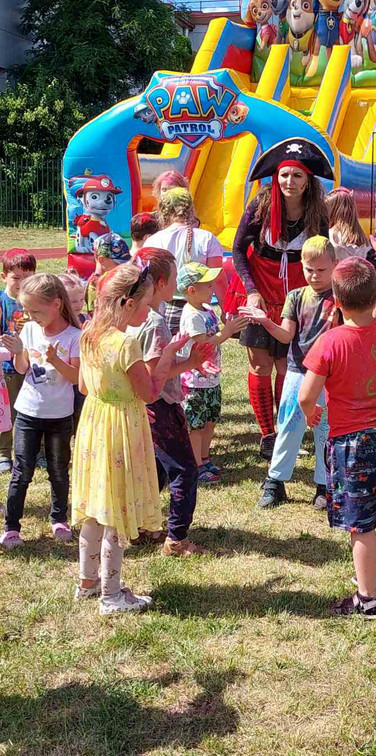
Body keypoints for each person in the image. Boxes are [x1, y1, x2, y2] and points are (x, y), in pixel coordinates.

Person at [300, 220, 376, 619]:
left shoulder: (329, 342)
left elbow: (306, 394)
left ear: (335, 299)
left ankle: (367, 599)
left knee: (361, 522)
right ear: (375, 296)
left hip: (352, 444)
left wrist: (311, 413)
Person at [72, 262, 186, 614]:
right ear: (127, 302)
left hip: (94, 424)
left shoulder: (89, 333)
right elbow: (149, 393)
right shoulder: (126, 344)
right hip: (121, 428)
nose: (149, 311)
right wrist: (167, 356)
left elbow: (82, 386)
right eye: (147, 304)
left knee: (95, 508)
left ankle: (87, 582)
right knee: (116, 511)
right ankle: (111, 596)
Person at [224, 139, 331, 459]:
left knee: (288, 365)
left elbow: (323, 255)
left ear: (308, 181)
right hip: (258, 291)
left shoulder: (317, 212)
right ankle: (267, 434)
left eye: (297, 176)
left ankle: (286, 429)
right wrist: (251, 290)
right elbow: (238, 250)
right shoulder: (260, 205)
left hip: (296, 298)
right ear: (276, 177)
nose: (289, 182)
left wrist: (322, 295)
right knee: (260, 364)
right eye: (284, 175)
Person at [239, 236, 339, 509]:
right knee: (288, 425)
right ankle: (275, 481)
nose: (314, 275)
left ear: (335, 264)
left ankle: (324, 484)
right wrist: (265, 322)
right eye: (309, 269)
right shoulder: (296, 296)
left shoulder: (341, 297)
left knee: (325, 428)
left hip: (330, 375)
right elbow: (286, 336)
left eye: (321, 270)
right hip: (298, 370)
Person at [128, 248, 210, 555]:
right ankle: (177, 539)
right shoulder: (154, 322)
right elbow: (155, 376)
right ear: (161, 283)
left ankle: (142, 527)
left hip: (142, 406)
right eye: (174, 277)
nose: (177, 283)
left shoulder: (135, 315)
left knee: (154, 471)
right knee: (184, 470)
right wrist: (190, 362)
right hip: (159, 407)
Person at [0, 275, 81, 549]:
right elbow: (22, 369)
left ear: (56, 304)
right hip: (27, 412)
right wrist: (19, 352)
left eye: (36, 311)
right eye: (28, 311)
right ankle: (11, 527)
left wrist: (56, 360)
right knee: (21, 471)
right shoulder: (31, 329)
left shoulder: (74, 336)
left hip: (59, 416)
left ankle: (59, 518)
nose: (31, 317)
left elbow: (76, 378)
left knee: (58, 470)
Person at [177, 262, 247, 481]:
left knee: (210, 420)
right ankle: (196, 465)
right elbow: (203, 344)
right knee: (196, 425)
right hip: (194, 381)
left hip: (210, 379)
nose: (212, 289)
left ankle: (205, 458)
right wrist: (227, 332)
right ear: (192, 290)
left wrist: (227, 325)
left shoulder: (206, 310)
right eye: (208, 286)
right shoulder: (192, 315)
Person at [145, 188, 223, 334]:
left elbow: (147, 281)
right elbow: (218, 280)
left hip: (165, 310)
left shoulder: (153, 240)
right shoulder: (207, 238)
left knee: (171, 348)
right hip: (199, 311)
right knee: (204, 348)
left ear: (163, 212)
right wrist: (225, 309)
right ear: (191, 209)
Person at [0, 248, 36, 473]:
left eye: (28, 277)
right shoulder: (2, 301)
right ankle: (4, 452)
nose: (22, 283)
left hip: (34, 365)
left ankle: (38, 451)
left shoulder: (37, 300)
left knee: (36, 409)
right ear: (4, 276)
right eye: (16, 278)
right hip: (7, 369)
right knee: (6, 412)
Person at [58, 273, 88, 434]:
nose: (79, 304)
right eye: (73, 301)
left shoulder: (85, 320)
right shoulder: (58, 324)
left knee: (81, 418)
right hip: (61, 380)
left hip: (82, 379)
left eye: (81, 299)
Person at [84, 233, 131, 315]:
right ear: (101, 260)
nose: (122, 267)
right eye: (118, 263)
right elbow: (96, 316)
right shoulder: (94, 285)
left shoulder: (115, 279)